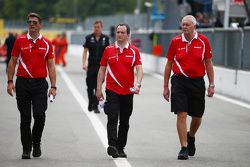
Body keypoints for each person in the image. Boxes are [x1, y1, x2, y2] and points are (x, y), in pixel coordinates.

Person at [163, 15, 214, 160]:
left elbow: (209, 63)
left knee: (197, 116)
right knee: (182, 113)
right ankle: (183, 147)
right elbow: (169, 64)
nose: (184, 27)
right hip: (179, 81)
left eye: (187, 25)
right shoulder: (175, 41)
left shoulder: (203, 41)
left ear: (194, 26)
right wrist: (166, 86)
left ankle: (190, 135)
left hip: (197, 82)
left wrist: (211, 84)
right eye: (183, 24)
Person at [7, 12, 56, 159]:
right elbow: (12, 61)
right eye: (29, 22)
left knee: (40, 116)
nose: (32, 24)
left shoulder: (47, 43)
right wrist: (10, 82)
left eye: (35, 22)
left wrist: (53, 87)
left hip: (40, 84)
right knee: (25, 118)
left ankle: (36, 142)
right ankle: (26, 149)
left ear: (40, 25)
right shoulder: (20, 41)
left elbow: (51, 66)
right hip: (22, 83)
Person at [96, 23, 143, 158]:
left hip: (128, 92)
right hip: (112, 90)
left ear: (128, 35)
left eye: (123, 32)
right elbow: (102, 70)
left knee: (124, 121)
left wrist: (138, 84)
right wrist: (98, 88)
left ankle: (120, 147)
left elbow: (139, 69)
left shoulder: (134, 51)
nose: (120, 35)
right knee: (112, 117)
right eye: (118, 32)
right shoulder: (108, 50)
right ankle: (112, 145)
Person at [82, 20, 110, 113]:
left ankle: (95, 105)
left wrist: (109, 66)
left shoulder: (105, 39)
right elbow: (85, 51)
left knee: (98, 86)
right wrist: (84, 63)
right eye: (95, 27)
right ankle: (91, 102)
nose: (96, 29)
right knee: (90, 87)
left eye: (98, 27)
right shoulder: (89, 38)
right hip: (91, 66)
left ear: (101, 27)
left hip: (101, 67)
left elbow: (108, 53)